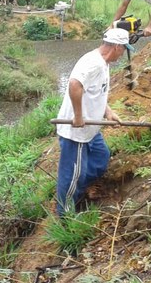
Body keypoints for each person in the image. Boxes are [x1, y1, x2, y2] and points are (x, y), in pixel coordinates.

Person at [55, 28, 130, 216]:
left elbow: (97, 92)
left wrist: (108, 111)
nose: (123, 54)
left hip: (92, 130)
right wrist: (78, 116)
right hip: (77, 132)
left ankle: (82, 191)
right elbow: (74, 84)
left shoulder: (104, 63)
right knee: (72, 175)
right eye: (124, 49)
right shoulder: (93, 63)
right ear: (117, 47)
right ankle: (66, 215)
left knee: (100, 158)